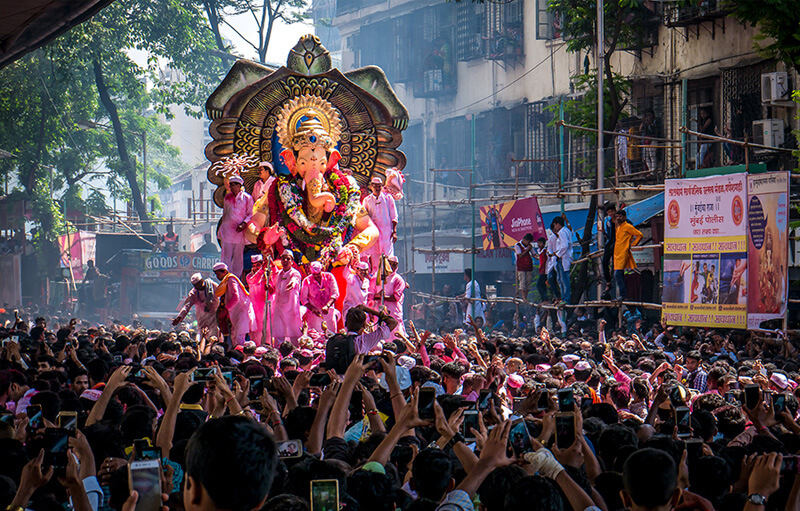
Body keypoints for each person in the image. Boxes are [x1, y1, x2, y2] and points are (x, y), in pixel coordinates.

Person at [213, 261, 257, 346]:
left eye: (218, 274)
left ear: (224, 272)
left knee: (239, 338)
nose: (217, 277)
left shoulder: (230, 279)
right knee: (235, 337)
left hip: (241, 311)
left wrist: (226, 310)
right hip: (236, 313)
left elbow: (236, 297)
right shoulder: (227, 280)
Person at [217, 175, 254, 278]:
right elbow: (225, 214)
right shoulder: (227, 198)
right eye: (230, 185)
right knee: (226, 256)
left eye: (233, 185)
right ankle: (225, 277)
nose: (231, 187)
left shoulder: (247, 198)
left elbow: (250, 213)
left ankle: (235, 279)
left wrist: (244, 224)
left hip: (239, 231)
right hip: (227, 231)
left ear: (239, 186)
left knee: (238, 257)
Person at [362, 176, 398, 270]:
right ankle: (375, 283)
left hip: (386, 233)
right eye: (375, 186)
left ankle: (388, 280)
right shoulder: (367, 200)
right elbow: (364, 217)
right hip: (374, 234)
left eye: (379, 186)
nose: (377, 188)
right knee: (375, 261)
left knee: (388, 259)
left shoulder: (388, 198)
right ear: (371, 187)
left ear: (381, 186)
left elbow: (394, 216)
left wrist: (394, 232)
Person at [173, 272, 220, 342]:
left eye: (198, 284)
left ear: (202, 281)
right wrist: (180, 317)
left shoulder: (214, 286)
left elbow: (223, 297)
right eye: (194, 285)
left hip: (215, 317)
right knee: (201, 337)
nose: (196, 287)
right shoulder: (193, 293)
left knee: (215, 336)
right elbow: (187, 306)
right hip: (202, 319)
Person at [270, 250, 303, 345]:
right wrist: (270, 288)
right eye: (283, 258)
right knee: (279, 334)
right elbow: (275, 288)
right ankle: (277, 356)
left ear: (292, 261)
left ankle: (295, 356)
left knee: (294, 334)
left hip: (291, 309)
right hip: (279, 308)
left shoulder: (295, 273)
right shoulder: (278, 274)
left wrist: (292, 284)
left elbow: (295, 280)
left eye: (288, 259)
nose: (285, 260)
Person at [300, 261, 339, 334]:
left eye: (318, 274)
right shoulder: (307, 281)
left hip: (329, 314)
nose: (316, 277)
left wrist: (327, 306)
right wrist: (313, 309)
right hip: (314, 316)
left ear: (322, 270)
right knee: (316, 338)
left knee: (331, 335)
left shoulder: (329, 277)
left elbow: (335, 294)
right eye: (314, 275)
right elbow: (303, 299)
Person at [613, 210, 643, 301]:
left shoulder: (628, 226)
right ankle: (623, 295)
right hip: (617, 254)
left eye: (620, 216)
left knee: (617, 274)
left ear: (625, 217)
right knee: (619, 275)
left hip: (623, 254)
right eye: (617, 216)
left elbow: (639, 235)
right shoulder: (618, 227)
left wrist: (633, 244)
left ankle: (624, 295)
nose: (618, 218)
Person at [375, 255, 406, 335]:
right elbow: (372, 295)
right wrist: (378, 296)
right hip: (378, 311)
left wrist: (383, 297)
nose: (392, 266)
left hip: (392, 312)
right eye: (390, 264)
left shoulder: (398, 279)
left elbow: (396, 297)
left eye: (394, 264)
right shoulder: (378, 277)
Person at [246, 254, 268, 346]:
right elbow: (252, 281)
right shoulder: (249, 276)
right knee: (254, 330)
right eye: (254, 266)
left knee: (266, 330)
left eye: (258, 265)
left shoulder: (266, 276)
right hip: (253, 308)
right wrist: (262, 270)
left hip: (264, 307)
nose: (256, 268)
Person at [552, 216, 572, 305]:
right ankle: (564, 297)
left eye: (555, 225)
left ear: (558, 224)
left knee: (564, 279)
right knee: (560, 279)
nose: (555, 228)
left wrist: (557, 254)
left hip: (563, 257)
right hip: (564, 257)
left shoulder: (562, 232)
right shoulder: (567, 230)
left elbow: (564, 245)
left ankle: (566, 299)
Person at [600, 202, 616, 297]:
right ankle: (608, 282)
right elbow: (608, 235)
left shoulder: (619, 220)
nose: (611, 214)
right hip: (610, 244)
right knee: (604, 262)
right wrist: (603, 232)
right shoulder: (608, 222)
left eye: (612, 211)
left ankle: (612, 282)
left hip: (617, 244)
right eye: (609, 212)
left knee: (615, 265)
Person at [513, 233, 534, 302]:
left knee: (528, 281)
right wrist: (527, 250)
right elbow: (520, 255)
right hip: (521, 266)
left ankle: (526, 296)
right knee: (523, 281)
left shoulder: (529, 246)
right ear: (524, 240)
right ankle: (523, 297)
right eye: (528, 241)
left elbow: (533, 254)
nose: (528, 243)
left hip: (528, 265)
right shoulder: (517, 245)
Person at [535, 236, 549, 303]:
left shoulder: (545, 251)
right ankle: (544, 300)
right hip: (541, 270)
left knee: (539, 285)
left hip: (545, 270)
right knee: (543, 285)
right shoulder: (539, 251)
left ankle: (545, 299)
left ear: (544, 244)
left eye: (540, 243)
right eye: (538, 243)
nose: (538, 244)